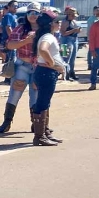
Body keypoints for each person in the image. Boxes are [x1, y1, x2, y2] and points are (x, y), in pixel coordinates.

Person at [0, 2, 41, 133]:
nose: (33, 16)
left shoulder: (44, 30)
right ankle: (7, 122)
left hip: (38, 67)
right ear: (27, 14)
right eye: (31, 13)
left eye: (36, 13)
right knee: (14, 94)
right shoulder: (21, 29)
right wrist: (26, 41)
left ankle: (37, 123)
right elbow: (9, 45)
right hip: (22, 66)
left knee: (36, 97)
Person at [32, 10, 66, 146]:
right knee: (42, 103)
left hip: (45, 72)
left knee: (45, 102)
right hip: (46, 72)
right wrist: (52, 63)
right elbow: (43, 49)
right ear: (51, 24)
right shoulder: (48, 37)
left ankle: (44, 132)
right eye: (57, 21)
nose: (60, 24)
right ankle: (39, 136)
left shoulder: (47, 35)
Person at [60, 7, 81, 81]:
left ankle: (71, 73)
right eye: (72, 15)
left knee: (72, 59)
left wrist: (77, 31)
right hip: (65, 41)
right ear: (68, 15)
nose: (74, 17)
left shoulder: (74, 21)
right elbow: (63, 33)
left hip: (74, 40)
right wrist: (74, 30)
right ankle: (65, 74)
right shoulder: (65, 22)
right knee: (65, 58)